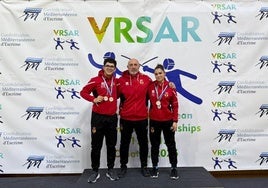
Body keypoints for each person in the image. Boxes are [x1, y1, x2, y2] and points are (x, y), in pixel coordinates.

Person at [80, 58, 119, 183]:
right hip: (98, 118)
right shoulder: (95, 80)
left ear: (114, 69)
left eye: (112, 66)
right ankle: (95, 171)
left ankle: (110, 170)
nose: (109, 68)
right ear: (103, 67)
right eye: (107, 65)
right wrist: (93, 99)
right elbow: (83, 92)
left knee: (111, 145)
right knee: (96, 146)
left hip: (112, 117)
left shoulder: (117, 82)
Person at [117, 58, 152, 177]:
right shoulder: (120, 80)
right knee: (124, 144)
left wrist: (170, 84)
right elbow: (110, 93)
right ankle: (123, 166)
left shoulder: (146, 79)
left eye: (135, 65)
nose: (133, 67)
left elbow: (155, 89)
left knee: (143, 143)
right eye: (131, 65)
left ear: (139, 66)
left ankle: (144, 166)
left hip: (141, 118)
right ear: (127, 66)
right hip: (126, 118)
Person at [148, 64, 179, 179]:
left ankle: (174, 168)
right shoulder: (150, 86)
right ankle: (155, 168)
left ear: (164, 74)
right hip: (154, 121)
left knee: (171, 145)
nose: (158, 75)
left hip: (168, 121)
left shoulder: (170, 87)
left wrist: (175, 121)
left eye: (160, 73)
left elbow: (175, 105)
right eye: (156, 74)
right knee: (154, 146)